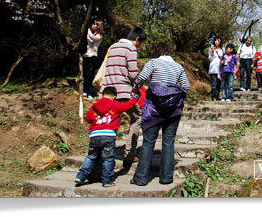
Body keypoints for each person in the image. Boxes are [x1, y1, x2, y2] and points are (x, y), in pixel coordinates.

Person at [130, 42, 190, 186]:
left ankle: (140, 178)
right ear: (169, 53)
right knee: (168, 142)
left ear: (157, 52)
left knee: (148, 142)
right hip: (173, 110)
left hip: (153, 109)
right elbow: (186, 86)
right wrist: (174, 94)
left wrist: (135, 88)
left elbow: (141, 79)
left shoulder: (153, 63)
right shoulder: (178, 67)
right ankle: (166, 178)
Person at [75, 86, 146, 188]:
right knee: (108, 158)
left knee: (91, 157)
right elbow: (127, 105)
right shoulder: (115, 105)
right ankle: (107, 180)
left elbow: (88, 118)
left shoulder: (94, 106)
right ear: (114, 97)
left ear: (102, 95)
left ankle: (81, 176)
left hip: (95, 135)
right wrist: (136, 97)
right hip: (109, 136)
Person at [100, 27, 147, 164]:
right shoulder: (130, 49)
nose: (139, 46)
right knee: (137, 118)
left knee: (110, 121)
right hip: (123, 91)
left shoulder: (113, 47)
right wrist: (137, 85)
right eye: (140, 43)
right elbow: (133, 74)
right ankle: (130, 152)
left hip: (108, 92)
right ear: (137, 39)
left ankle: (105, 153)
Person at [83, 19, 105, 100]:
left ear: (98, 26)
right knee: (85, 74)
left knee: (90, 74)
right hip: (86, 55)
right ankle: (86, 90)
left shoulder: (99, 36)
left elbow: (92, 38)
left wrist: (86, 29)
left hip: (93, 56)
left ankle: (91, 92)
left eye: (95, 24)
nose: (93, 25)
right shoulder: (93, 33)